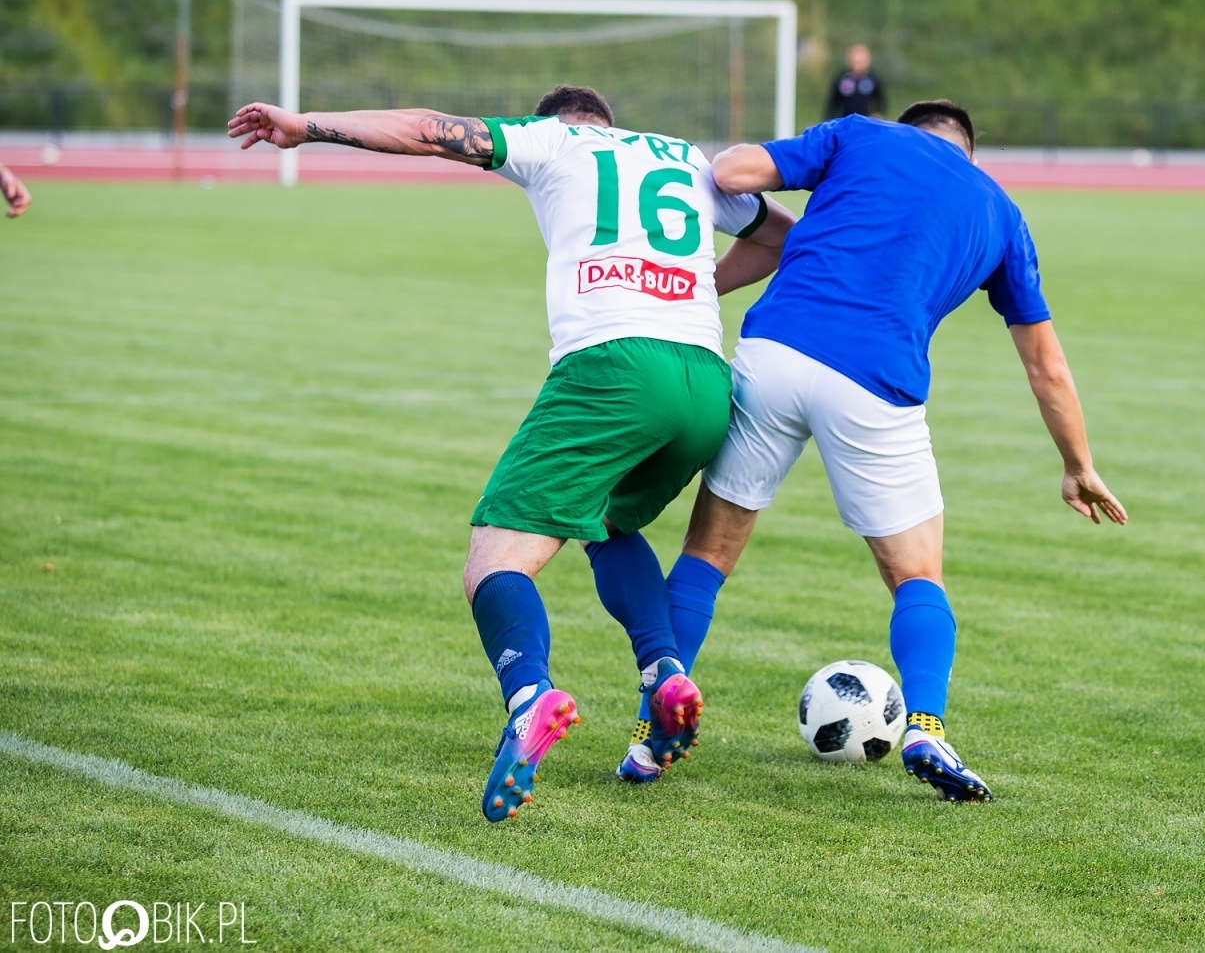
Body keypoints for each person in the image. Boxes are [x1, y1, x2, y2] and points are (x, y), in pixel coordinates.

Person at [226, 87, 794, 813]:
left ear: (556, 119)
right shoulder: (685, 158)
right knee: (611, 523)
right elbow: (778, 234)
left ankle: (530, 696)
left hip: (614, 369)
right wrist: (690, 288)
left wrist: (306, 126)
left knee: (492, 559)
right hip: (706, 381)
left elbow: (429, 131)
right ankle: (664, 670)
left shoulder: (555, 140)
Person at [657, 101, 1126, 802]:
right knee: (916, 575)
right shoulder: (1000, 213)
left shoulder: (858, 135)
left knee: (706, 555)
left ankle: (652, 730)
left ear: (905, 129)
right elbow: (1046, 366)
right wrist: (1078, 464)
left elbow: (730, 171)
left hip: (775, 350)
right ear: (969, 153)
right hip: (876, 383)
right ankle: (927, 728)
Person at [825, 43, 887, 120]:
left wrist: (877, 117)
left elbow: (880, 102)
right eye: (855, 61)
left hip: (866, 122)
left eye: (860, 61)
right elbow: (833, 104)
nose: (857, 65)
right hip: (845, 123)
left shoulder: (873, 79)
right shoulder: (842, 79)